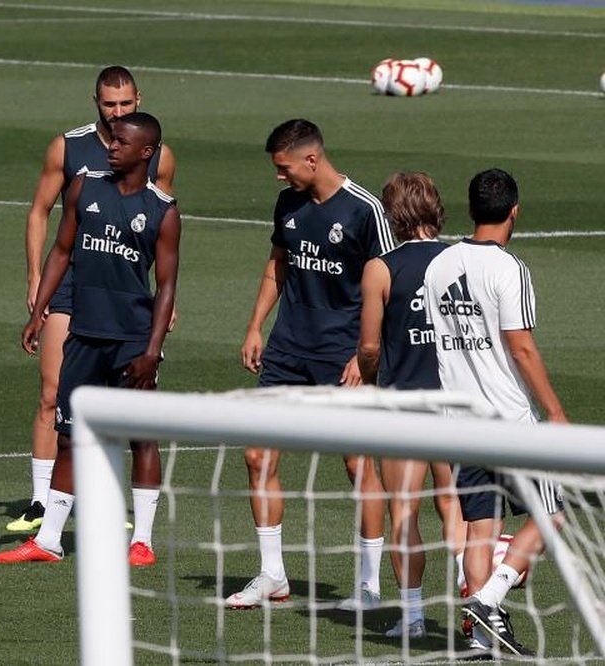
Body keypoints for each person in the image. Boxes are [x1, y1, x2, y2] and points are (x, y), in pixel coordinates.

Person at [0, 112, 180, 566]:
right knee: (69, 437)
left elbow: (168, 285)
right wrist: (39, 312)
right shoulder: (85, 187)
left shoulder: (162, 210)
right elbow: (61, 252)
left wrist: (152, 352)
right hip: (83, 333)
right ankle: (49, 539)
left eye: (122, 142)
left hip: (131, 339)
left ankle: (143, 541)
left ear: (146, 152)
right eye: (111, 140)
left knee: (141, 438)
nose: (111, 147)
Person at [226, 119, 395, 610]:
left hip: (342, 358)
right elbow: (278, 264)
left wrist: (367, 357)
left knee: (356, 464)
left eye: (285, 168)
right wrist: (256, 324)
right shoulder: (289, 204)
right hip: (286, 350)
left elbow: (390, 287)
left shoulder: (366, 210)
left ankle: (368, 586)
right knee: (257, 457)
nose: (280, 177)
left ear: (311, 160)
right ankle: (272, 574)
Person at [423, 168, 567, 657]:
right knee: (552, 516)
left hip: (460, 424)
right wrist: (555, 411)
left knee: (481, 528)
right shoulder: (509, 269)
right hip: (510, 425)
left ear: (471, 209)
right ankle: (489, 599)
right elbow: (521, 348)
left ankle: (482, 641)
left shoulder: (438, 265)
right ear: (514, 212)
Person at [357, 172, 467, 639]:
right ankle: (474, 591)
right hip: (459, 400)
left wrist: (367, 382)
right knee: (459, 505)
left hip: (405, 404)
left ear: (392, 213)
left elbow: (368, 347)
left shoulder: (382, 268)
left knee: (405, 511)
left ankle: (415, 617)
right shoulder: (460, 260)